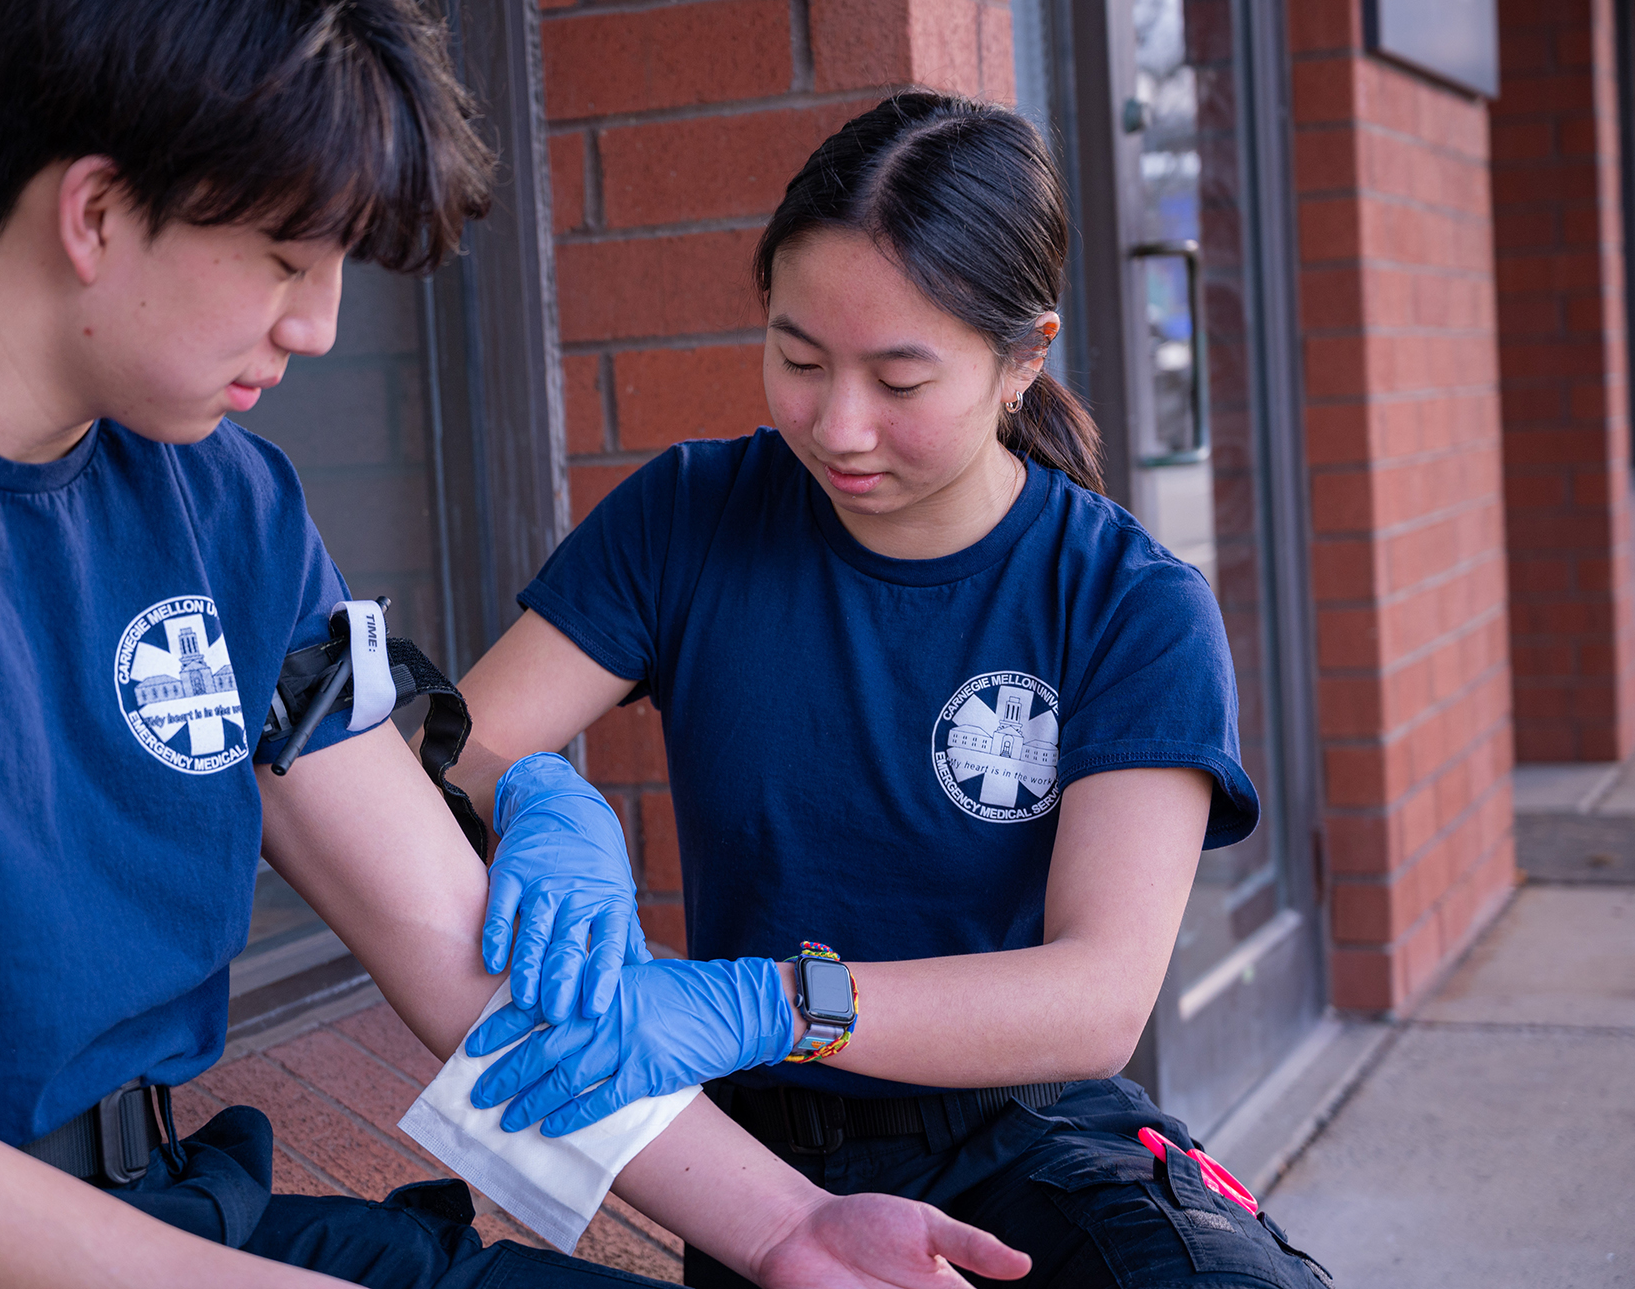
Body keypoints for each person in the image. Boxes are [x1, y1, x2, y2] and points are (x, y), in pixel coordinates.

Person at [0, 0, 1034, 1285]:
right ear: (97, 212)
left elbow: (442, 935)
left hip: (167, 1207)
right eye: (289, 257)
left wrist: (791, 1224)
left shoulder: (220, 494)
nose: (319, 324)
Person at [442, 94, 1336, 1288]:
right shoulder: (693, 516)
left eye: (899, 380)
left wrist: (770, 1000)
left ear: (1024, 356)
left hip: (1030, 1130)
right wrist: (547, 794)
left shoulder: (1127, 601)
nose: (838, 426)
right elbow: (461, 744)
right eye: (797, 359)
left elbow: (1094, 993)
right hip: (766, 1162)